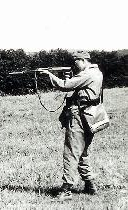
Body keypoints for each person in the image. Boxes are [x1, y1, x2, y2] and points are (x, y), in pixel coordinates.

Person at [40, 51, 102, 200]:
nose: (75, 65)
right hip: (89, 116)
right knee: (83, 152)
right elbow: (76, 86)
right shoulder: (96, 72)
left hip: (79, 117)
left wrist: (49, 75)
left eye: (76, 62)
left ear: (82, 60)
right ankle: (90, 184)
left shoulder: (87, 74)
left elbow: (65, 85)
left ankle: (66, 190)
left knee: (71, 153)